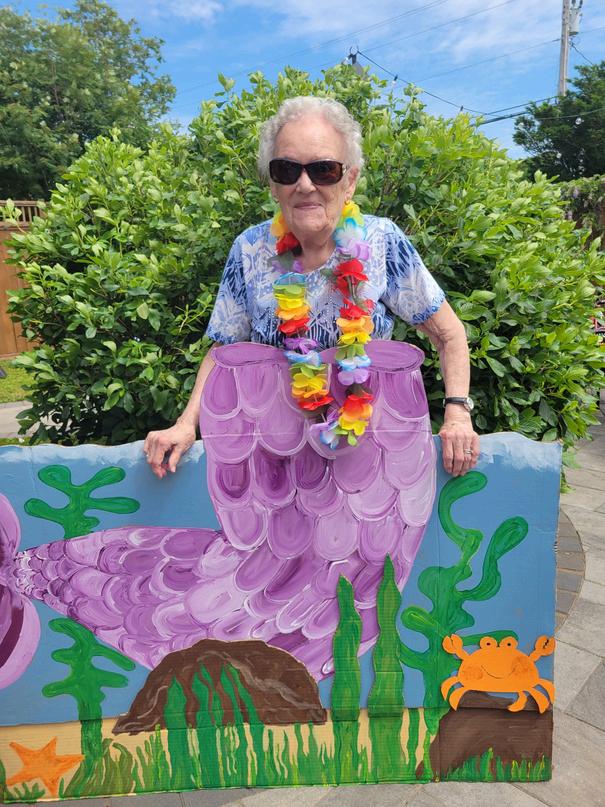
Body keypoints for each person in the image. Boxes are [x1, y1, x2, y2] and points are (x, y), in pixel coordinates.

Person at [144, 96, 479, 478]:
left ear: (350, 180)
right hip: (275, 457)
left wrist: (457, 412)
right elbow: (224, 350)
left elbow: (448, 334)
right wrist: (186, 423)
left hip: (370, 455)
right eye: (286, 170)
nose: (304, 185)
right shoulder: (250, 249)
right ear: (274, 185)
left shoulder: (382, 241)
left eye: (323, 170)